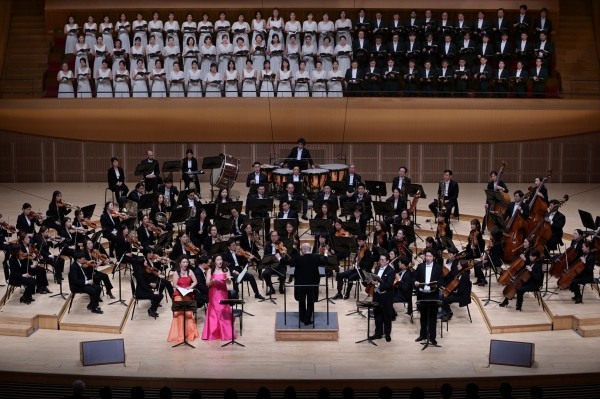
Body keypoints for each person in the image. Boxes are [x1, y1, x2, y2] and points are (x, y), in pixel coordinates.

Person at [291, 243, 327, 325]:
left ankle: (302, 317)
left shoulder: (298, 259)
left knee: (301, 300)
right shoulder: (316, 257)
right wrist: (325, 253)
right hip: (312, 284)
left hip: (301, 284)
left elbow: (289, 262)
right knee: (311, 302)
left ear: (303, 250)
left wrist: (279, 258)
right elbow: (324, 261)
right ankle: (307, 319)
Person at [202, 254, 235, 340]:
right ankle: (214, 333)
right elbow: (207, 283)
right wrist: (212, 281)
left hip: (223, 292)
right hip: (214, 293)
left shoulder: (226, 269)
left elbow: (230, 285)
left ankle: (225, 332)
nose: (220, 261)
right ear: (214, 262)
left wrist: (226, 281)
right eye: (217, 260)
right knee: (215, 310)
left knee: (223, 309)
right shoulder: (210, 270)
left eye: (221, 259)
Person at [332, 234, 375, 300]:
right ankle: (339, 293)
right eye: (358, 241)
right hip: (356, 269)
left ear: (364, 241)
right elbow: (355, 258)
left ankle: (347, 293)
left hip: (362, 271)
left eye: (360, 241)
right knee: (340, 275)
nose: (358, 243)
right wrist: (353, 264)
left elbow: (368, 264)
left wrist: (359, 263)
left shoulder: (367, 251)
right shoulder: (359, 248)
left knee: (350, 278)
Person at [168, 256, 200, 343]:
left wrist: (190, 287)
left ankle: (189, 333)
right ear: (180, 264)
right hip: (179, 294)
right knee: (179, 312)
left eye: (187, 262)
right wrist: (181, 289)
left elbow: (195, 281)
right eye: (184, 262)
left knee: (188, 312)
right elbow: (174, 284)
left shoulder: (190, 271)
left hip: (188, 293)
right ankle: (180, 334)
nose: (186, 264)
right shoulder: (176, 273)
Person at [414, 249, 443, 345]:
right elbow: (415, 278)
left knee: (432, 317)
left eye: (430, 256)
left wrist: (436, 285)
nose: (427, 258)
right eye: (426, 256)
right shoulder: (420, 266)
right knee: (423, 316)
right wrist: (416, 283)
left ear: (434, 257)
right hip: (422, 294)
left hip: (432, 294)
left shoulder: (438, 268)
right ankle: (423, 335)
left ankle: (432, 337)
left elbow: (441, 281)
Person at [369, 253, 396, 342]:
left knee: (387, 316)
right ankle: (378, 333)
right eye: (380, 259)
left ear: (387, 261)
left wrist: (378, 284)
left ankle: (387, 334)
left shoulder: (391, 271)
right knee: (377, 314)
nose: (380, 261)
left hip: (386, 296)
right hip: (377, 294)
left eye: (382, 260)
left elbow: (389, 285)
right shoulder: (376, 268)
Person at [262, 230, 288, 294]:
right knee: (265, 274)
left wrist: (283, 255)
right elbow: (265, 256)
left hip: (280, 266)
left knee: (283, 275)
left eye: (275, 236)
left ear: (278, 237)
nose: (273, 237)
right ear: (270, 237)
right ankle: (271, 288)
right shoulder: (268, 245)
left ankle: (281, 287)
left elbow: (285, 260)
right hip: (271, 266)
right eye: (272, 236)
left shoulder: (282, 245)